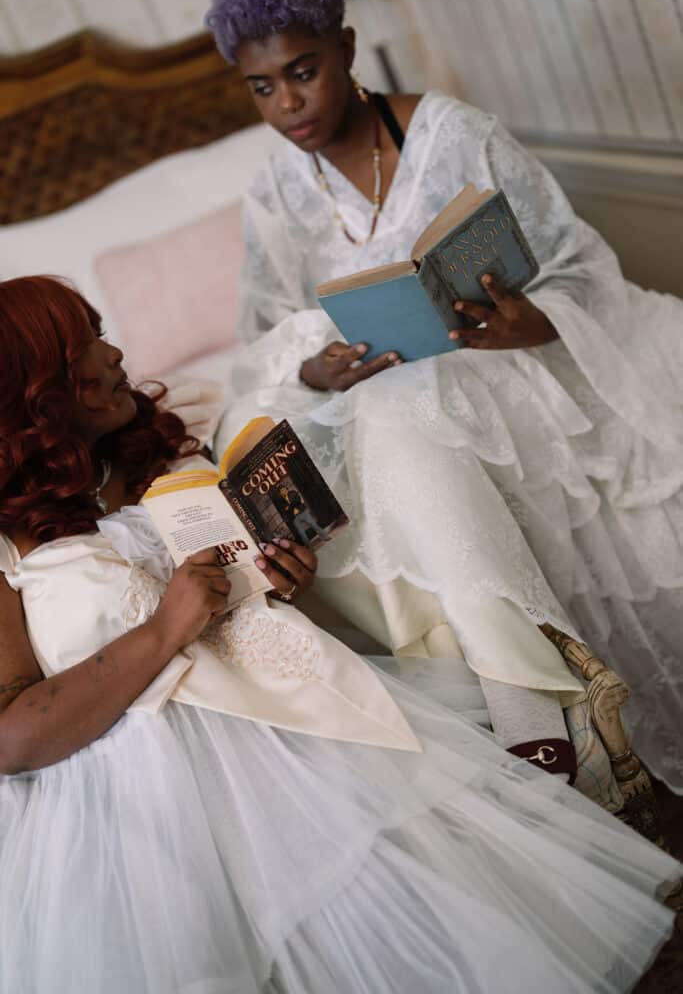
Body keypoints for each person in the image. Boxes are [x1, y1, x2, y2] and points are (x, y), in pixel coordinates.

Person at [0, 274, 679, 993]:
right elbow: (11, 738)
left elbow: (245, 588)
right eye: (85, 346)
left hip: (291, 715)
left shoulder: (161, 459)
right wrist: (166, 628)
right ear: (36, 390)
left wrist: (279, 579)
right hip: (139, 787)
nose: (113, 354)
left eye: (103, 332)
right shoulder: (8, 538)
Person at [205, 0, 683, 794]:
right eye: (262, 87)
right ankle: (530, 697)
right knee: (281, 419)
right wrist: (313, 368)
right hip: (385, 393)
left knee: (403, 409)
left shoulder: (456, 135)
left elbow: (576, 266)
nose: (287, 103)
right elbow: (264, 335)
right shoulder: (274, 188)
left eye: (303, 71)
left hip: (509, 367)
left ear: (345, 48)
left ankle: (528, 705)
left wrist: (532, 322)